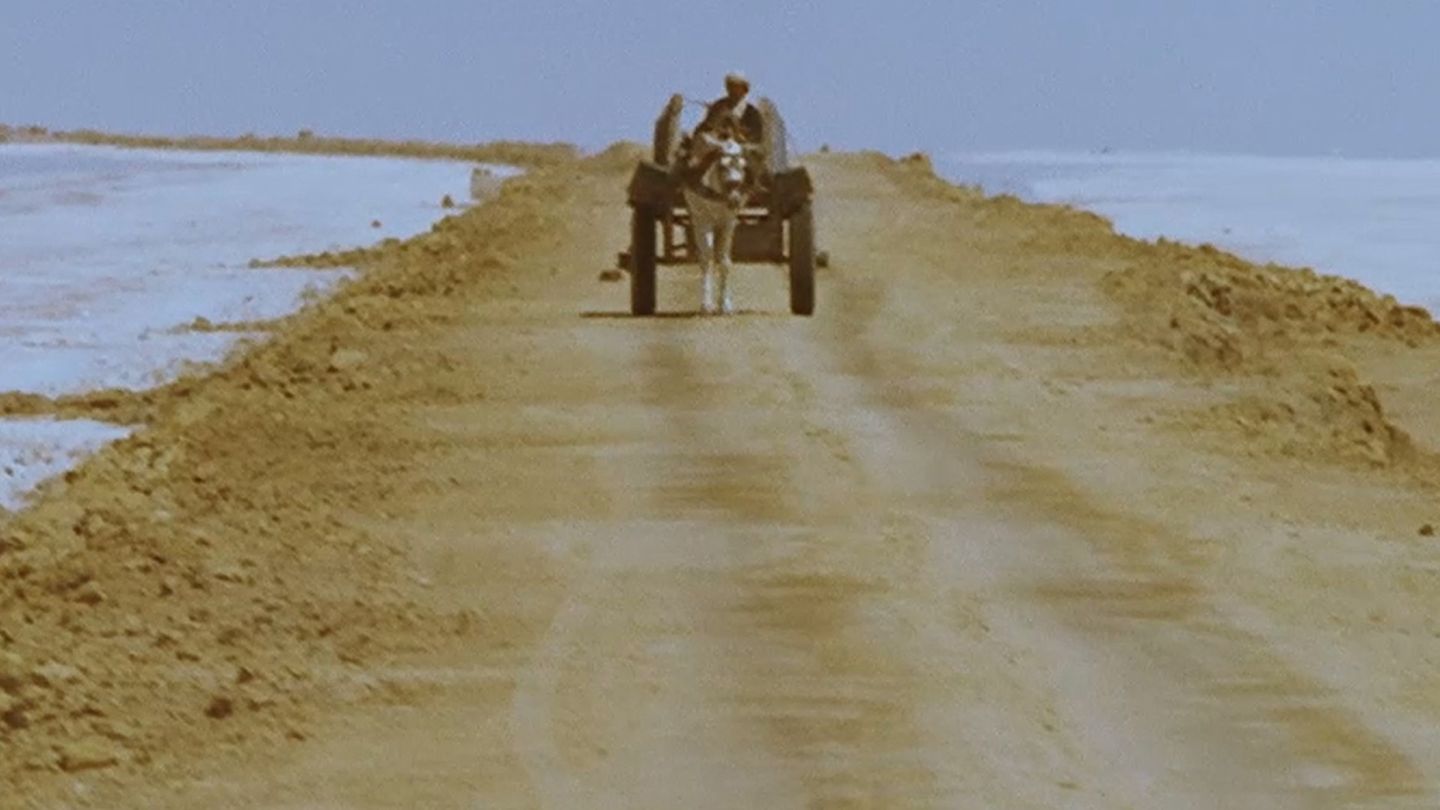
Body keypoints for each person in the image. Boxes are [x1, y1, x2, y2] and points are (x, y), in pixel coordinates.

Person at [698, 72, 764, 145]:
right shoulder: (718, 105)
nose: (732, 90)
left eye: (736, 87)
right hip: (715, 145)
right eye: (730, 86)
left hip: (740, 149)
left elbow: (756, 138)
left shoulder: (752, 112)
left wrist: (738, 134)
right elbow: (706, 127)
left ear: (744, 90)